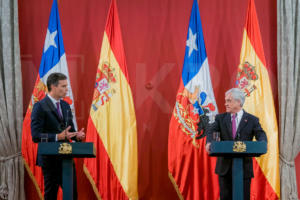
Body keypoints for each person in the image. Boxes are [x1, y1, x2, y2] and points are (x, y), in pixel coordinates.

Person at [205, 88, 267, 200]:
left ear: (239, 102)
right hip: (225, 169)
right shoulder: (220, 118)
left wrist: (262, 143)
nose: (225, 104)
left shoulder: (252, 120)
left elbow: (260, 134)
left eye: (229, 101)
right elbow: (211, 131)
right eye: (226, 100)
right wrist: (209, 142)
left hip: (244, 170)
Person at [31, 72, 85, 200]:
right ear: (53, 87)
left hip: (66, 157)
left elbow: (69, 130)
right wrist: (57, 137)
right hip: (50, 160)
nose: (67, 89)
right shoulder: (40, 106)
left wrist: (77, 135)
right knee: (51, 195)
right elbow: (36, 136)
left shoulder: (66, 106)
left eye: (67, 86)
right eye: (63, 86)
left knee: (72, 195)